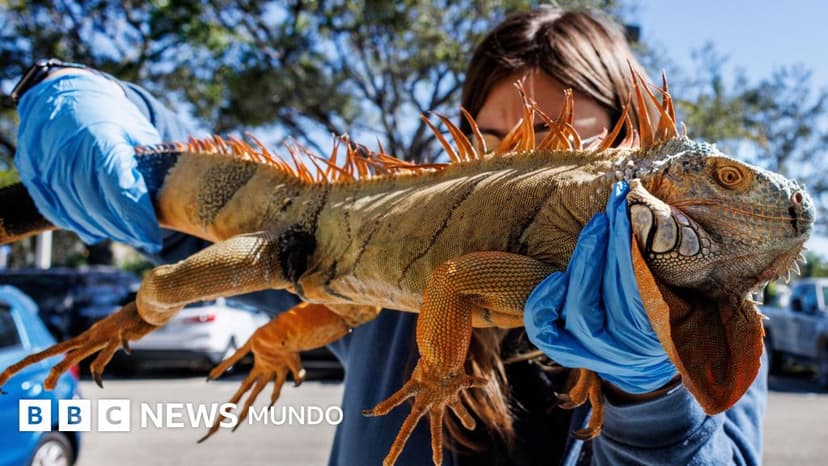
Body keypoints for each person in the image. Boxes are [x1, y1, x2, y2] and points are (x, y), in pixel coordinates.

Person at [10, 6, 765, 466]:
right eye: (493, 139)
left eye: (556, 140)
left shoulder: (701, 293)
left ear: (632, 150)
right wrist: (79, 93)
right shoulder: (396, 247)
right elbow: (201, 209)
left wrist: (651, 386)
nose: (516, 159)